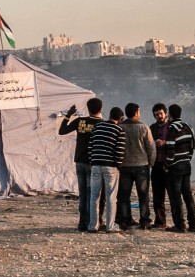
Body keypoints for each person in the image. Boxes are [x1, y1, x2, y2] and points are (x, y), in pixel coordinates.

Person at [58, 98, 105, 231]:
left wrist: (68, 115)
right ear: (101, 109)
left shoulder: (80, 121)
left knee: (83, 193)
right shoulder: (102, 124)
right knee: (93, 194)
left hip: (79, 161)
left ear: (87, 108)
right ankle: (93, 222)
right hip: (93, 162)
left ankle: (82, 223)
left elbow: (62, 131)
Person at [116, 102, 156, 230]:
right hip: (141, 165)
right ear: (137, 112)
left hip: (124, 166)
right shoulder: (144, 128)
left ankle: (125, 220)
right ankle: (144, 221)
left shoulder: (120, 127)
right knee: (143, 195)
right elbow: (151, 147)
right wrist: (151, 162)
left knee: (124, 195)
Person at [87, 107, 125, 233]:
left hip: (95, 165)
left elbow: (90, 146)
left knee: (94, 197)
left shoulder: (97, 127)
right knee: (111, 197)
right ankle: (110, 225)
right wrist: (118, 165)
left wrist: (92, 161)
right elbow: (119, 152)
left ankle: (93, 225)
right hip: (110, 167)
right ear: (120, 118)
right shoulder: (119, 130)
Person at [164, 104, 195, 233]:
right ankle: (193, 224)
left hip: (175, 167)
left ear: (170, 115)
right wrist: (187, 159)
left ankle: (180, 224)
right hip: (186, 165)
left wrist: (167, 165)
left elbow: (170, 150)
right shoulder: (188, 126)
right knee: (187, 194)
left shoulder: (172, 128)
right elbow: (192, 147)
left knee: (176, 196)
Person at [149, 103, 171, 229]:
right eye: (156, 114)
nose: (159, 116)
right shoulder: (152, 128)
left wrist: (165, 143)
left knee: (173, 195)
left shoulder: (172, 127)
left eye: (160, 114)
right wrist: (154, 143)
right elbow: (147, 143)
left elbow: (177, 143)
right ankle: (160, 221)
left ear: (165, 113)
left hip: (169, 165)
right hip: (156, 165)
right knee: (158, 195)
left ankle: (178, 222)